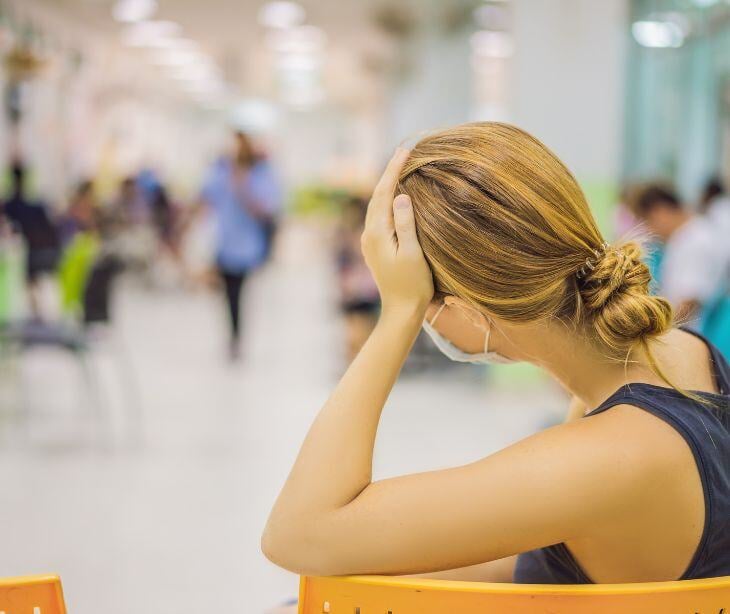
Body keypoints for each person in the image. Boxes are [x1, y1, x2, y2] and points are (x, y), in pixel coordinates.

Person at [262, 123, 730, 585]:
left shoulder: (603, 457)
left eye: (425, 304)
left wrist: (397, 315)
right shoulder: (685, 354)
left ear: (469, 310)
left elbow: (297, 534)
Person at [198, 131, 269, 360]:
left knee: (237, 293)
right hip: (224, 244)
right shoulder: (221, 173)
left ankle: (236, 337)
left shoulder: (260, 175)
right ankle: (234, 336)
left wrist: (243, 187)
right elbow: (206, 198)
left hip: (246, 247)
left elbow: (266, 210)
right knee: (229, 294)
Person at [631, 184, 730, 350]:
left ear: (660, 212)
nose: (649, 231)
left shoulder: (695, 240)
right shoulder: (685, 237)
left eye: (647, 223)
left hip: (691, 338)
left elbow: (688, 302)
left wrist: (656, 332)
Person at [2, 160, 59, 317]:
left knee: (29, 278)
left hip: (33, 253)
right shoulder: (34, 202)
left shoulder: (12, 204)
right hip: (45, 251)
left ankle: (37, 314)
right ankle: (37, 313)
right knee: (31, 281)